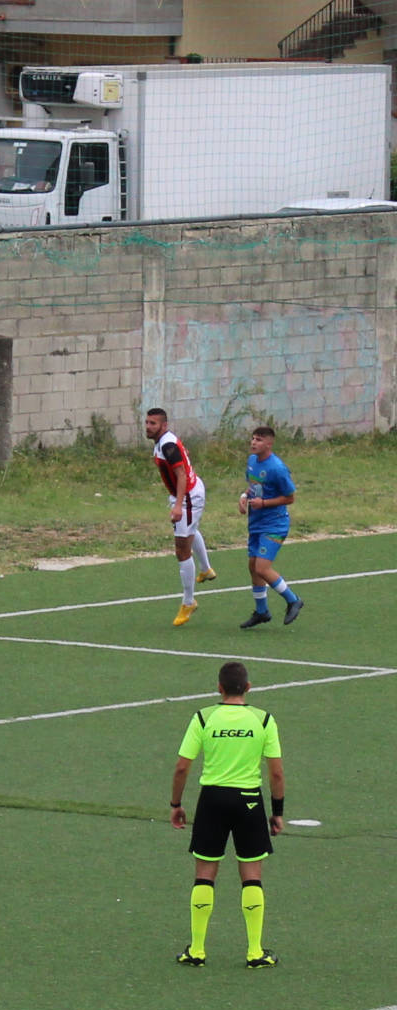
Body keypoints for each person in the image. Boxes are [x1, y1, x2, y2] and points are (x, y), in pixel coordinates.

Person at [170, 661, 285, 968]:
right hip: (249, 801)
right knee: (251, 877)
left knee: (204, 875)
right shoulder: (263, 720)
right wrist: (277, 812)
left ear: (219, 688)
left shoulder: (203, 717)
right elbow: (276, 774)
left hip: (212, 801)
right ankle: (255, 952)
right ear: (248, 688)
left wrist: (176, 804)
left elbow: (182, 766)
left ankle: (196, 950)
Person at [144, 407, 217, 626]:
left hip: (187, 497)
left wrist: (178, 505)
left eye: (153, 423)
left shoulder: (167, 445)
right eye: (147, 422)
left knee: (181, 548)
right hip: (188, 493)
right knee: (190, 532)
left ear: (164, 426)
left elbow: (181, 475)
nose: (148, 427)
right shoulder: (164, 441)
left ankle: (188, 602)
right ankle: (206, 570)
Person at [237, 425, 304, 628]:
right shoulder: (251, 461)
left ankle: (293, 600)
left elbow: (290, 498)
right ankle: (261, 611)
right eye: (252, 438)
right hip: (256, 523)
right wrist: (244, 496)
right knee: (253, 567)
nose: (253, 442)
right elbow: (255, 487)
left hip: (274, 524)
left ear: (269, 443)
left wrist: (264, 504)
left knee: (262, 567)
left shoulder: (277, 468)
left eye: (258, 439)